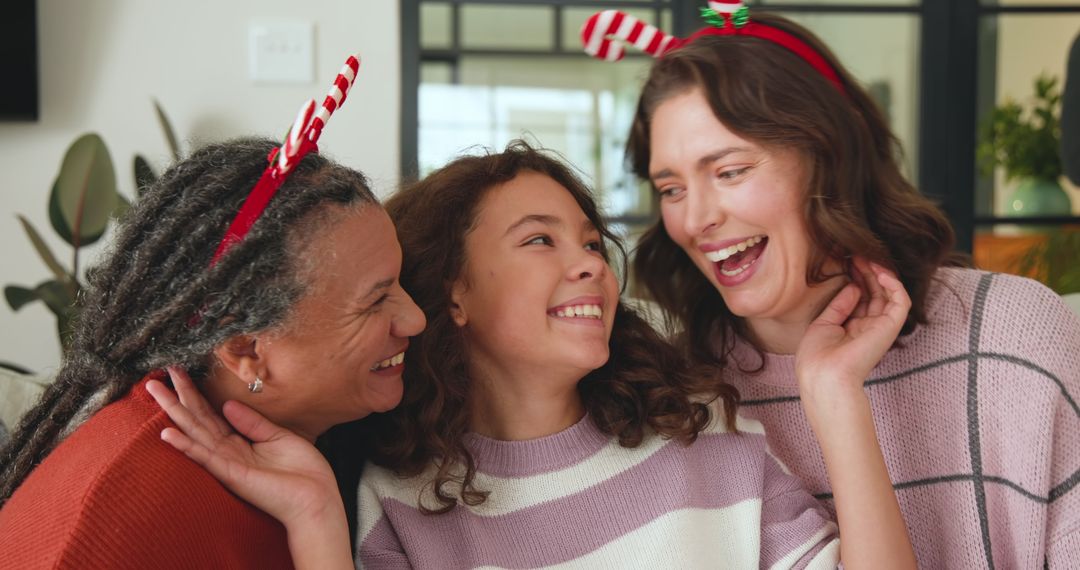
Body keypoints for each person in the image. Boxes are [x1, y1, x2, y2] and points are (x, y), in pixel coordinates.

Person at [152, 141, 917, 569]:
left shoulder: (702, 431)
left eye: (590, 242)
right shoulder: (401, 500)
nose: (588, 263)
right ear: (453, 294)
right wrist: (318, 522)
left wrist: (835, 390)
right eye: (539, 241)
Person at [593, 2, 1080, 567]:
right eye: (671, 188)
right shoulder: (678, 394)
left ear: (830, 157)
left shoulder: (1013, 332)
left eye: (730, 171)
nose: (695, 218)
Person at [0, 127, 426, 568]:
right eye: (376, 300)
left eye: (399, 282)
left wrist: (315, 516)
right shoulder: (121, 526)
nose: (416, 318)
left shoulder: (278, 459)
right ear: (245, 350)